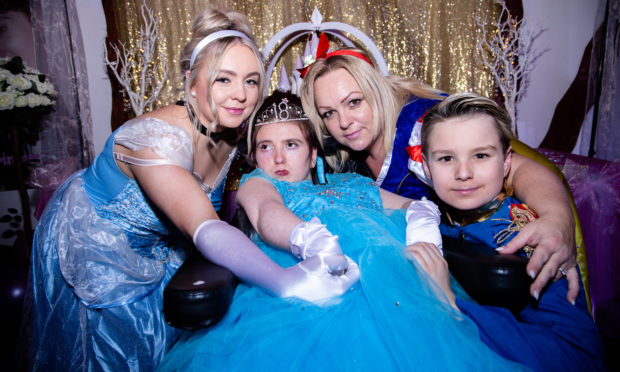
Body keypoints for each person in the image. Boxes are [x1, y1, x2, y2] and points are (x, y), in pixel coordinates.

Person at [21, 8, 357, 372]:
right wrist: (287, 282)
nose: (241, 95)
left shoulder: (232, 134)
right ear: (191, 80)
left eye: (251, 80)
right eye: (223, 79)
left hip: (160, 252)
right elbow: (207, 228)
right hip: (97, 247)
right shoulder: (154, 140)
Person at [156, 90, 528, 371]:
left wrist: (423, 228)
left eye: (291, 144)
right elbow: (267, 214)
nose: (279, 158)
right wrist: (307, 237)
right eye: (265, 148)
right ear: (253, 158)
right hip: (313, 292)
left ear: (314, 154)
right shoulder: (261, 184)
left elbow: (412, 206)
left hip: (395, 285)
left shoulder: (352, 183)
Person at [299, 34, 580, 302]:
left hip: (492, 255)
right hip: (425, 268)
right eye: (329, 113)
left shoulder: (422, 126)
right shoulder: (341, 159)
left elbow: (519, 168)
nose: (344, 122)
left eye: (354, 102)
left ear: (377, 91)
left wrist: (557, 219)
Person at [409, 92, 605, 371]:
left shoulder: (529, 236)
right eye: (446, 159)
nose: (463, 172)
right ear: (426, 167)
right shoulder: (438, 217)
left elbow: (580, 353)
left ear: (506, 162)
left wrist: (451, 305)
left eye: (480, 155)